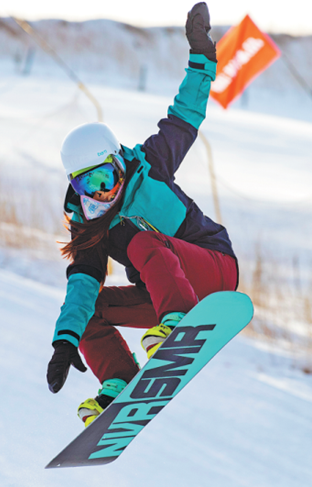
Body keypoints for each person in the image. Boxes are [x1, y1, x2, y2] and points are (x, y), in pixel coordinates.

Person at [47, 2, 238, 427]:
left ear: (120, 162)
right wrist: (65, 340)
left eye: (108, 176)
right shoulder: (90, 224)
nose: (105, 191)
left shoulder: (149, 164)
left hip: (212, 268)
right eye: (90, 185)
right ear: (76, 187)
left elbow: (185, 115)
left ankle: (178, 321)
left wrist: (202, 57)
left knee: (142, 238)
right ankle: (119, 382)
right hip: (162, 296)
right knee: (91, 305)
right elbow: (80, 286)